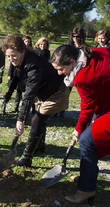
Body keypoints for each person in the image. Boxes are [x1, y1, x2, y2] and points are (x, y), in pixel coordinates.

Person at [51, 45, 110, 204]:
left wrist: (78, 131)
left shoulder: (83, 76)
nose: (59, 73)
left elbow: (87, 109)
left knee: (86, 141)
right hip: (106, 105)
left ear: (72, 61)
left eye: (61, 68)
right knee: (92, 140)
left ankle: (86, 189)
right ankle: (87, 175)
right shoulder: (93, 52)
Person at [3, 35, 69, 166]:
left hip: (57, 93)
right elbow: (16, 79)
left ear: (22, 51)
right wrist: (8, 95)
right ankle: (39, 147)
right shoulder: (21, 61)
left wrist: (20, 119)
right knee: (38, 118)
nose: (11, 59)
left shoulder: (33, 65)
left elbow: (29, 95)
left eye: (13, 55)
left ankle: (27, 158)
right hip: (44, 92)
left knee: (37, 119)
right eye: (8, 56)